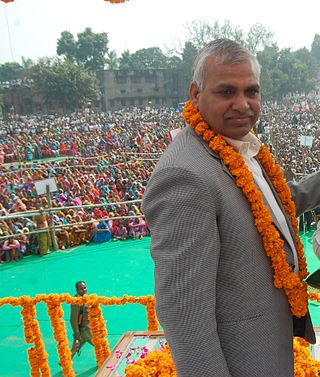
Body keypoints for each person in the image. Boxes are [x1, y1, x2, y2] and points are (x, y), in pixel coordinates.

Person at [142, 39, 320, 377]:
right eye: (227, 92)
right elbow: (185, 316)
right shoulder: (185, 175)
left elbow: (275, 206)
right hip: (241, 362)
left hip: (269, 348)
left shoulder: (239, 146)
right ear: (196, 93)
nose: (243, 104)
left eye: (251, 91)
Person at [70, 281, 93, 358]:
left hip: (87, 328)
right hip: (84, 330)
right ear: (77, 290)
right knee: (99, 345)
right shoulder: (76, 302)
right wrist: (76, 333)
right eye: (81, 289)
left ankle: (65, 361)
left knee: (74, 348)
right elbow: (73, 319)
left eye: (85, 288)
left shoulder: (86, 298)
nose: (84, 290)